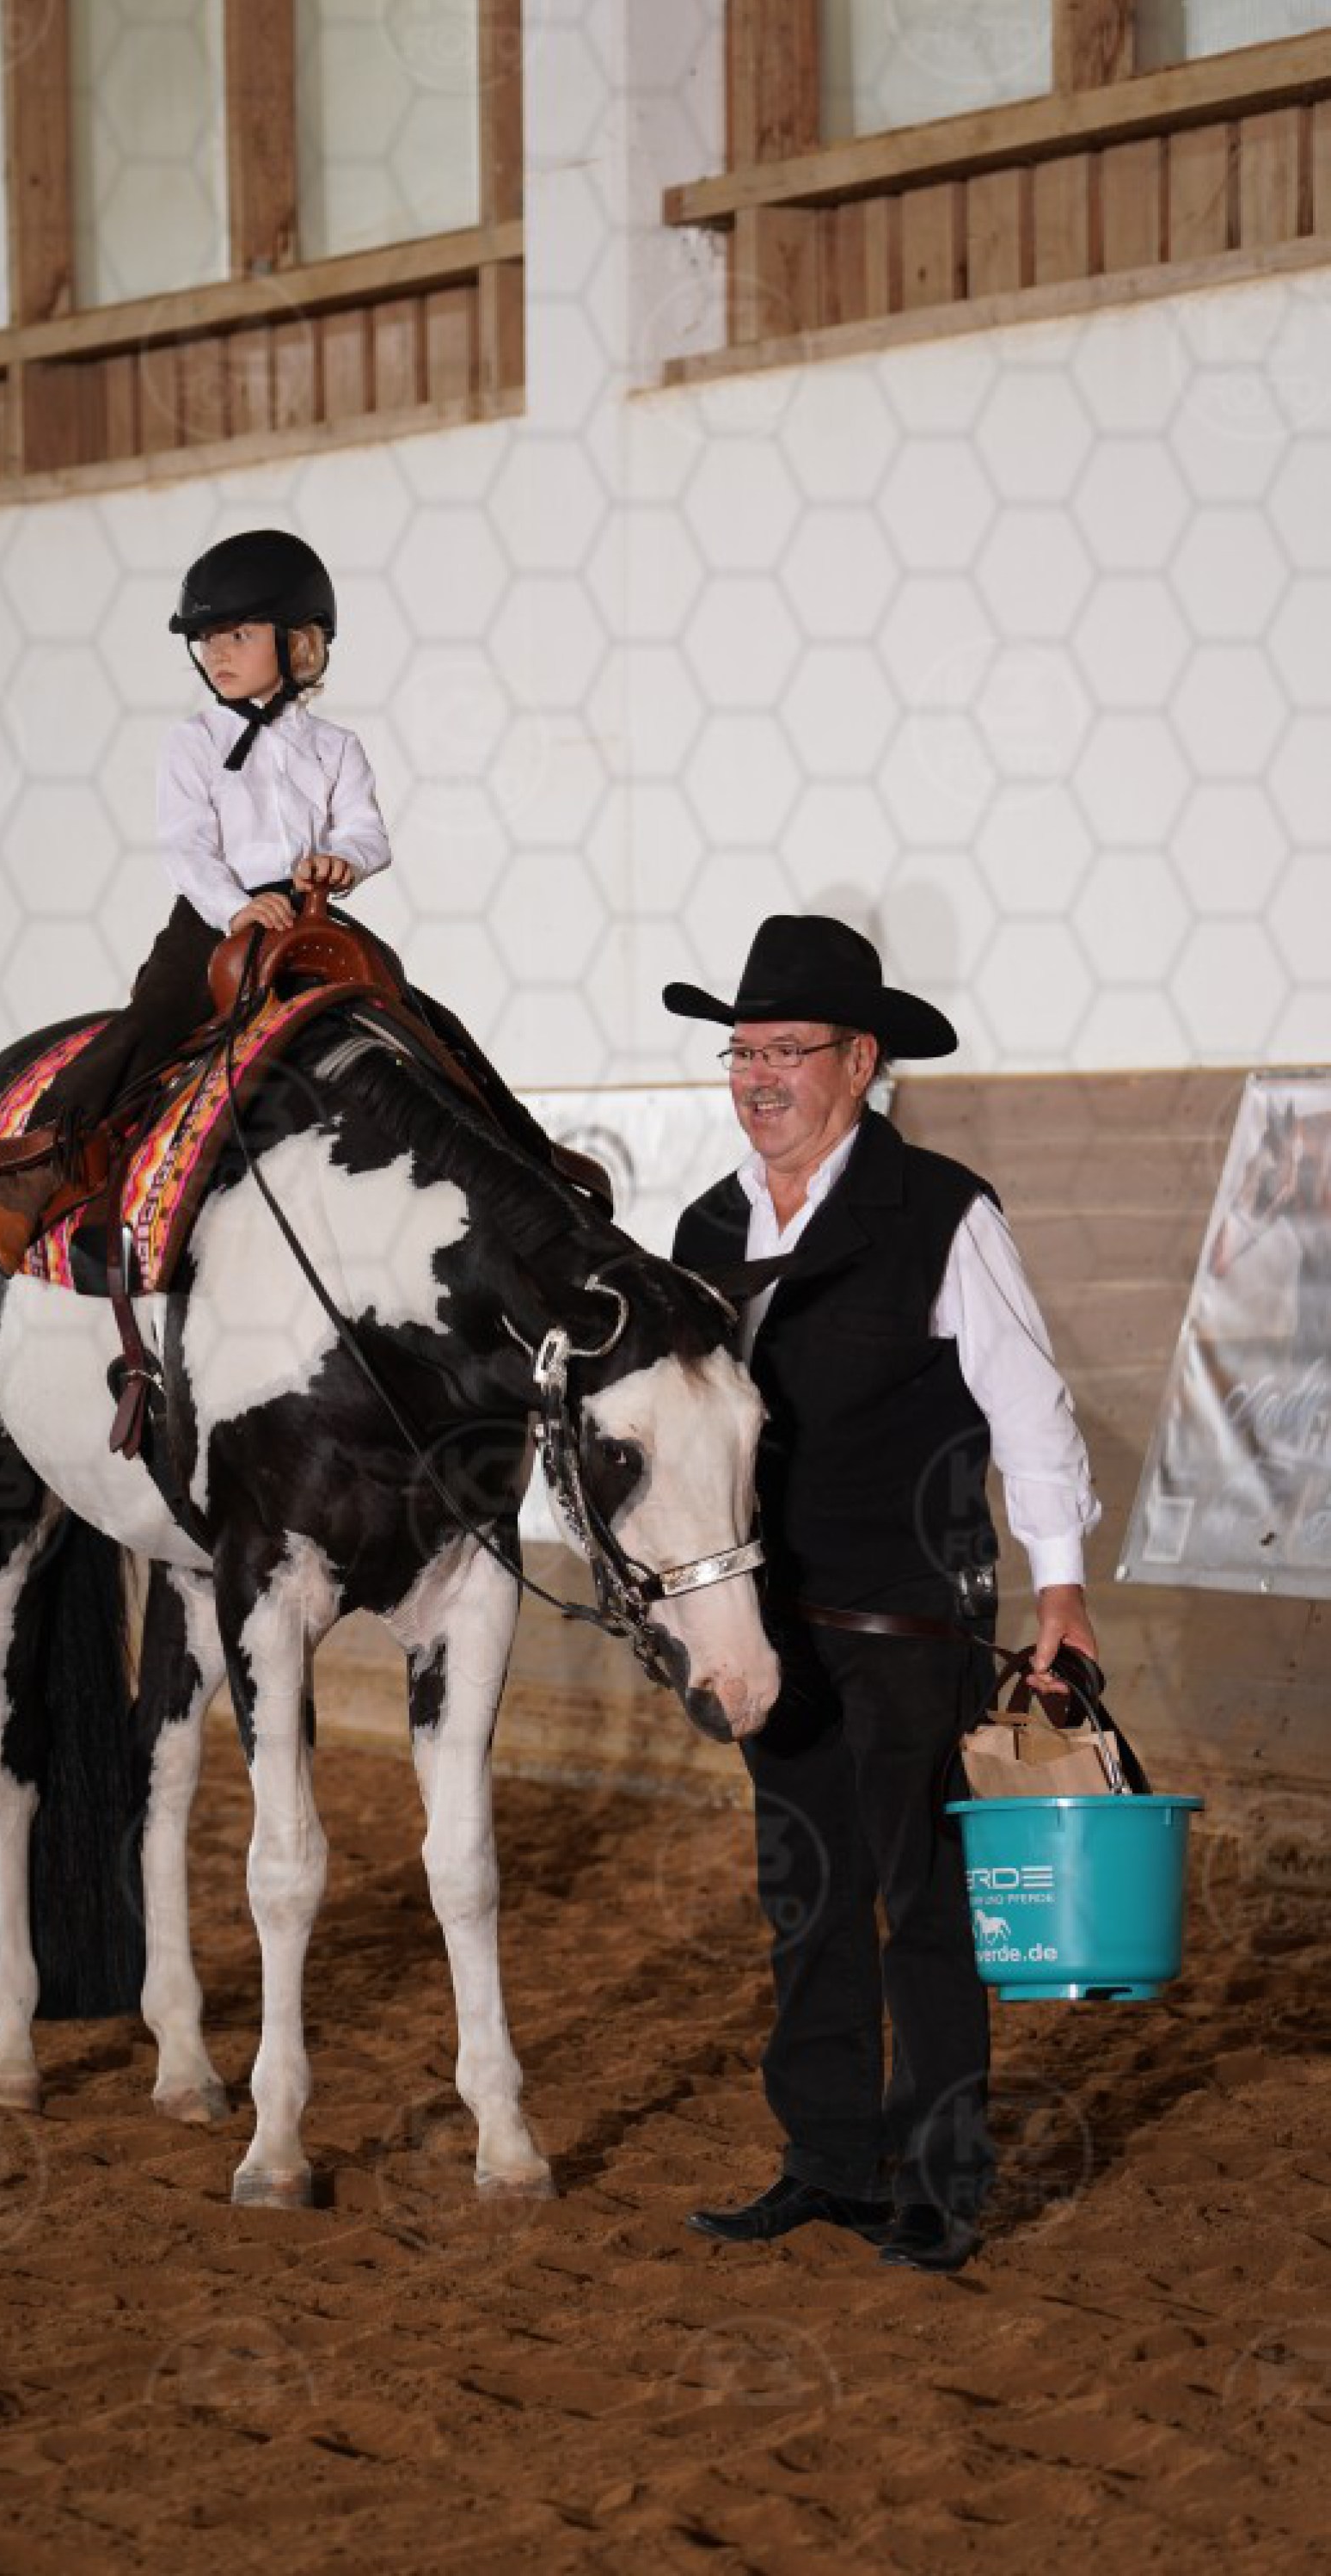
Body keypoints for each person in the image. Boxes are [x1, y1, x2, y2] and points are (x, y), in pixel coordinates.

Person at [666, 913, 1100, 2275]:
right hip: (768, 1624)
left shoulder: (943, 1211)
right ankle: (830, 2158)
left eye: (786, 1050)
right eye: (741, 1050)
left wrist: (1062, 1590)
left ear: (861, 1060)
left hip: (912, 1618)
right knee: (807, 1893)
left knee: (923, 1898)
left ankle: (940, 2179)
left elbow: (1031, 1409)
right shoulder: (707, 1225)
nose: (757, 1076)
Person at [0, 527, 391, 1263]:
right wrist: (236, 907)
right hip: (214, 917)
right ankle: (36, 1169)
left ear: (297, 641)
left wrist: (340, 862)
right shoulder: (192, 743)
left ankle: (500, 1132)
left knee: (401, 999)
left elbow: (367, 831)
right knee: (155, 1017)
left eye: (238, 634)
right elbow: (186, 847)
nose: (217, 652)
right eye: (206, 639)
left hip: (309, 913)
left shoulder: (337, 747)